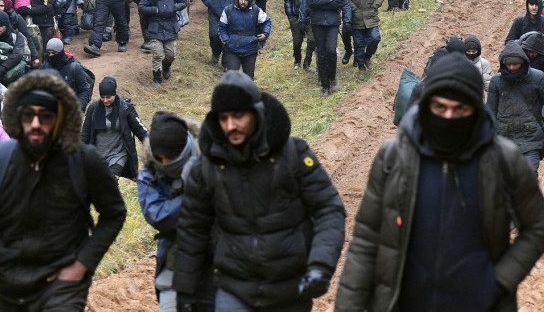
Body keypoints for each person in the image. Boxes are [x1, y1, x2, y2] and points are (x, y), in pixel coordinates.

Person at [335, 53, 544, 311]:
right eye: (440, 108)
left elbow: (539, 226)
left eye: (460, 109)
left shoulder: (502, 159)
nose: (449, 117)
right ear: (426, 105)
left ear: (475, 109)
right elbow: (365, 239)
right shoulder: (394, 156)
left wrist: (501, 280)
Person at [0, 71, 127, 310]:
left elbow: (114, 213)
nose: (36, 123)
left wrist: (83, 263)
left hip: (63, 284)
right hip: (8, 283)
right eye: (29, 115)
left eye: (45, 116)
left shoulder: (85, 161)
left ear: (60, 119)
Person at [173, 71, 346, 312]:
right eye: (223, 119)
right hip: (234, 289)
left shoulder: (294, 155)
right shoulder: (206, 169)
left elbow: (329, 209)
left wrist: (320, 266)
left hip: (290, 290)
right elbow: (192, 231)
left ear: (256, 113)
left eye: (238, 116)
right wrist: (185, 293)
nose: (230, 126)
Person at [137, 112, 208, 312]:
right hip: (174, 261)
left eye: (172, 157)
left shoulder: (211, 159)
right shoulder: (150, 173)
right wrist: (198, 194)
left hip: (220, 258)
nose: (166, 162)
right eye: (161, 158)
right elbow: (158, 216)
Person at [487, 42, 544, 173]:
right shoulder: (496, 82)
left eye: (515, 64)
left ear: (523, 62)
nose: (511, 67)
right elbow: (490, 112)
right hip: (504, 137)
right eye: (508, 64)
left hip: (531, 136)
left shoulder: (538, 78)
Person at [300, 0, 351, 96]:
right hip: (317, 22)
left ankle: (333, 77)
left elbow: (340, 0)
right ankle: (324, 84)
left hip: (333, 22)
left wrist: (321, 2)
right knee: (321, 53)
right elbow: (310, 1)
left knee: (331, 51)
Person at [82, 77, 149, 179]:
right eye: (102, 97)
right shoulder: (93, 109)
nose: (105, 100)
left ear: (114, 94)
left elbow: (140, 130)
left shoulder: (125, 108)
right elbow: (85, 134)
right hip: (97, 155)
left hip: (118, 155)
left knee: (109, 181)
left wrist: (153, 144)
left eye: (108, 97)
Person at [139, 0, 188, 87]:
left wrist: (173, 7)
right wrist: (155, 10)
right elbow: (142, 7)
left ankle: (166, 66)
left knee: (171, 54)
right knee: (157, 54)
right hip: (155, 27)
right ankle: (157, 78)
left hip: (171, 26)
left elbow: (184, 1)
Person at [218, 0, 272, 78]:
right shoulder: (228, 10)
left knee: (248, 78)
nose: (243, 2)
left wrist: (265, 34)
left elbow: (267, 21)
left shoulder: (256, 11)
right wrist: (227, 40)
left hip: (250, 50)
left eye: (246, 0)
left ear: (250, 0)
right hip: (232, 50)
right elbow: (221, 27)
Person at [345, 0, 384, 71]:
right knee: (358, 43)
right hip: (356, 18)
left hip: (371, 16)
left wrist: (374, 6)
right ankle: (361, 67)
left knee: (375, 38)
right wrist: (354, 9)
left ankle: (367, 56)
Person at [41, 38, 94, 110]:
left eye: (53, 53)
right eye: (49, 53)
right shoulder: (45, 67)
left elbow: (84, 90)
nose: (51, 55)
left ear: (60, 52)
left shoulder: (74, 68)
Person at [285, 0, 317, 71]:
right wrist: (290, 15)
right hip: (296, 16)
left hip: (310, 16)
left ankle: (307, 62)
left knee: (312, 40)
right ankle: (297, 59)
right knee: (297, 41)